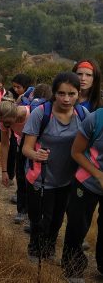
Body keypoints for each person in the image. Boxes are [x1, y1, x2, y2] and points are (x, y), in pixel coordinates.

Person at [22, 72, 88, 263]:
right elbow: (26, 148)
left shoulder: (83, 115)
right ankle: (35, 248)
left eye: (72, 94)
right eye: (61, 93)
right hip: (40, 178)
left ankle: (49, 248)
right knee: (41, 219)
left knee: (57, 219)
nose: (66, 99)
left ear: (78, 94)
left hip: (67, 179)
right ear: (54, 93)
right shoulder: (41, 113)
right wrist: (36, 155)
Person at [62, 107, 103, 281]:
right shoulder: (95, 119)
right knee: (78, 225)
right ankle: (73, 267)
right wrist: (98, 175)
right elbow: (76, 152)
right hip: (87, 181)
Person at [0, 100, 31, 224]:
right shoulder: (4, 122)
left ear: (14, 114)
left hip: (37, 147)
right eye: (2, 122)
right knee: (20, 177)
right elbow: (5, 145)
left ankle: (35, 217)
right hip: (22, 146)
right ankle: (22, 211)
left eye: (8, 122)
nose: (5, 125)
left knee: (33, 181)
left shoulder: (31, 114)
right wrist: (4, 171)